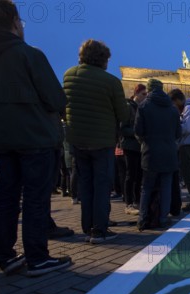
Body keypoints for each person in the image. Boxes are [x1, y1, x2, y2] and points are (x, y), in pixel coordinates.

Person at [0, 0, 72, 276]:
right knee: (36, 197)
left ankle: (3, 253)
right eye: (21, 21)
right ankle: (37, 257)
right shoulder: (28, 54)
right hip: (35, 136)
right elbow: (56, 98)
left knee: (7, 196)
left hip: (1, 137)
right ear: (14, 20)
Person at [64, 39, 129, 244]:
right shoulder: (110, 81)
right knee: (102, 186)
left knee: (85, 184)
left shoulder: (68, 75)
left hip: (77, 140)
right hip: (102, 141)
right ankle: (99, 230)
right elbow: (124, 115)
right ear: (102, 59)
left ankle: (87, 225)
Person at [135, 79, 181, 230]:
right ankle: (162, 219)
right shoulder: (173, 109)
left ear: (149, 90)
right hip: (169, 153)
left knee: (146, 187)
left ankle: (142, 219)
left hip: (150, 152)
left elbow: (138, 131)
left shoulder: (143, 106)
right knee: (166, 187)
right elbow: (178, 133)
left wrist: (144, 142)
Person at [169, 89, 190, 212]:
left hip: (189, 146)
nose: (173, 107)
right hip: (188, 146)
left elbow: (187, 128)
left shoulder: (189, 109)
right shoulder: (189, 109)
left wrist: (175, 126)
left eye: (173, 103)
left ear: (177, 100)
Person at [120, 84, 147, 216]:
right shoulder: (128, 107)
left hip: (139, 146)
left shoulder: (141, 108)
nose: (145, 97)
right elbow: (123, 128)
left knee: (139, 175)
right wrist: (137, 132)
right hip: (130, 146)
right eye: (143, 94)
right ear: (136, 93)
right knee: (130, 175)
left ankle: (137, 201)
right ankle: (128, 203)